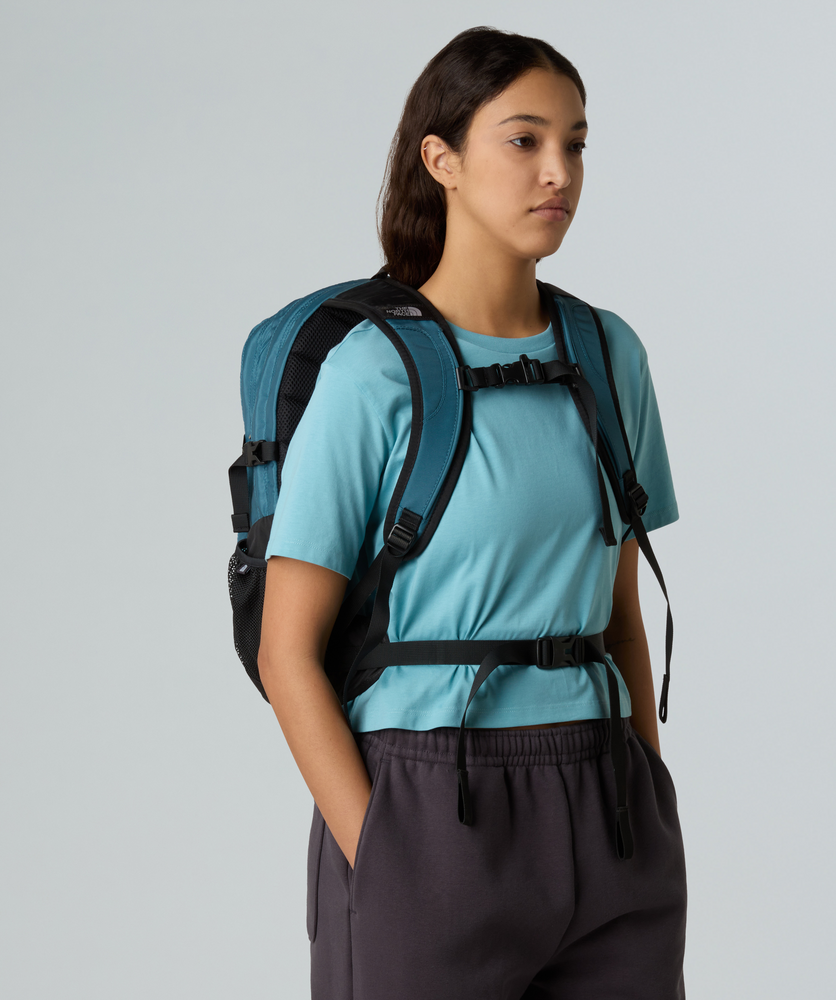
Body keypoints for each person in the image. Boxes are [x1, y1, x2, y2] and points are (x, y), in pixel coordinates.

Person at [257, 25, 687, 1000]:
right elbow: (288, 652)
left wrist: (648, 795)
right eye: (524, 139)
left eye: (575, 143)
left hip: (611, 807)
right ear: (441, 159)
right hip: (428, 798)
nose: (558, 171)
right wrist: (384, 853)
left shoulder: (608, 355)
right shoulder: (371, 372)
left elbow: (618, 613)